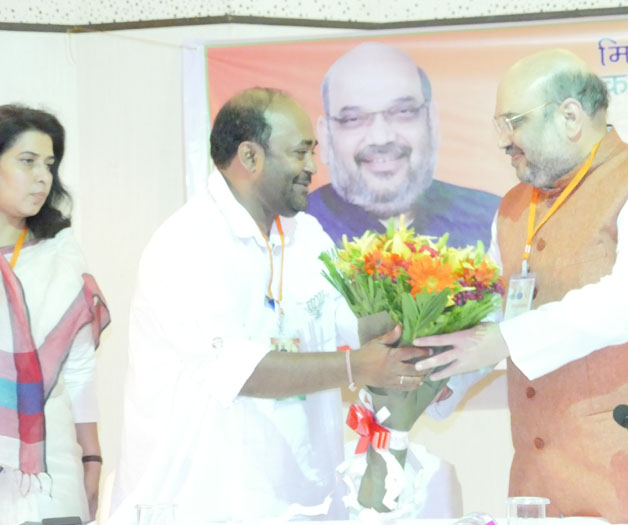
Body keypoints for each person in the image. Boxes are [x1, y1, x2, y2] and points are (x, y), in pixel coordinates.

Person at [413, 49, 628, 523]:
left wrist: (504, 339)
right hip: (547, 484)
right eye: (499, 126)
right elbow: (491, 318)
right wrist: (438, 375)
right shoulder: (511, 208)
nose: (505, 142)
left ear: (570, 116)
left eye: (513, 122)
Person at [109, 88, 430, 524]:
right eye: (300, 152)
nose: (312, 168)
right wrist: (359, 366)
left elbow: (351, 324)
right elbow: (242, 371)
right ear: (250, 156)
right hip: (200, 505)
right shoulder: (188, 243)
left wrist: (424, 316)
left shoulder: (307, 235)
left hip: (304, 503)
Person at [0, 104, 109, 524]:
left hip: (48, 467)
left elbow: (79, 368)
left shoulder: (60, 253)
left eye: (49, 164)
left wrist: (92, 457)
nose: (43, 177)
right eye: (27, 162)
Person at [309, 42, 500, 248]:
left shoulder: (493, 219)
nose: (381, 138)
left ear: (432, 124)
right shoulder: (297, 230)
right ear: (326, 137)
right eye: (353, 119)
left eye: (403, 112)